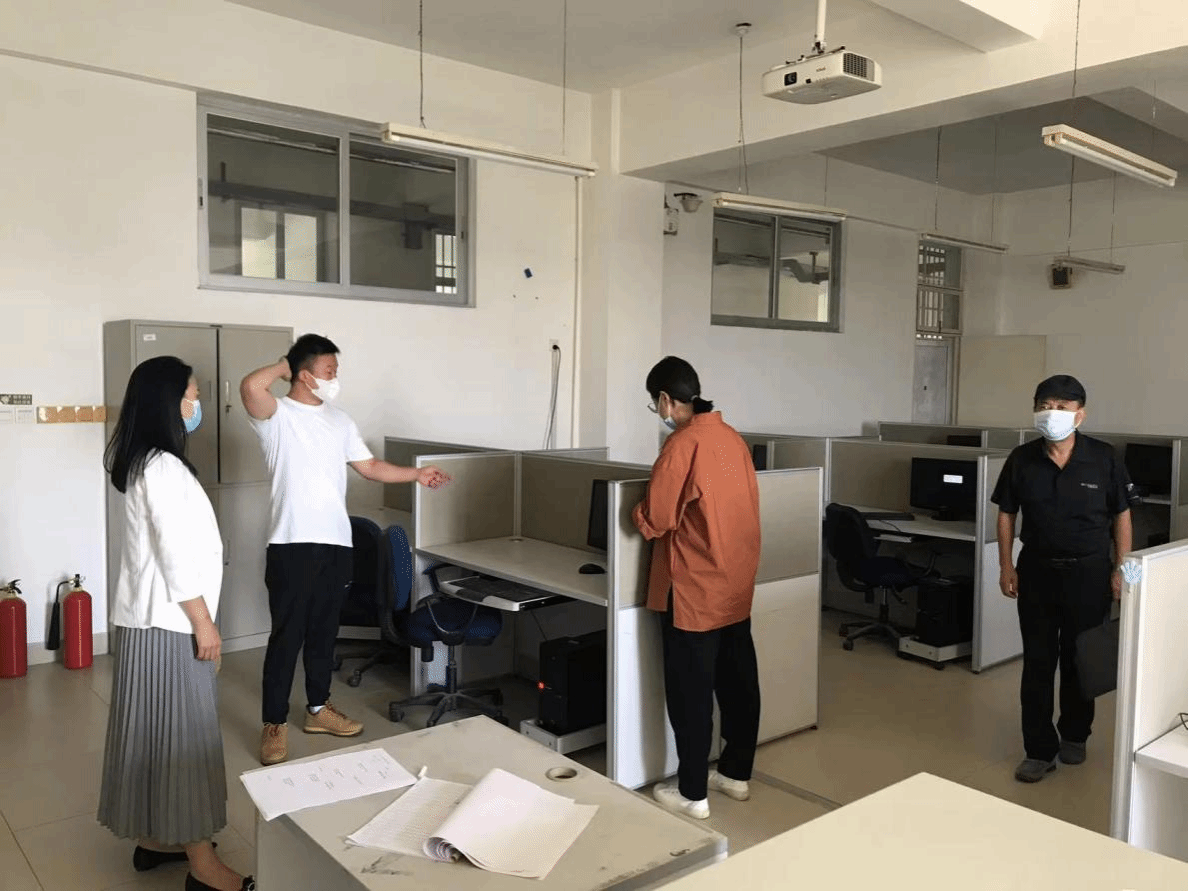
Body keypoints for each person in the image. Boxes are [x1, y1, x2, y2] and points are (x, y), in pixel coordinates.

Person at [241, 334, 449, 765]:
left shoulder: (339, 421)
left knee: (324, 634)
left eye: (336, 370)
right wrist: (284, 363)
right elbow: (250, 387)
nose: (335, 378)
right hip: (291, 543)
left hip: (336, 543)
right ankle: (274, 723)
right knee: (287, 637)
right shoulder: (277, 415)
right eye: (329, 370)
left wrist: (416, 474)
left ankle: (318, 709)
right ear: (305, 375)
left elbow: (369, 467)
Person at [98, 356, 253, 891]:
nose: (198, 404)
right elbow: (175, 555)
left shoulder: (145, 461)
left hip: (150, 623)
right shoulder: (161, 466)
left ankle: (156, 839)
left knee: (153, 734)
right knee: (186, 738)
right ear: (169, 402)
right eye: (193, 395)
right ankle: (203, 867)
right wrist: (204, 623)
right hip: (171, 624)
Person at [631, 356, 762, 820]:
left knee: (691, 693)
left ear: (667, 399)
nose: (659, 412)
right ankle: (736, 775)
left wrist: (635, 513)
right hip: (735, 582)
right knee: (738, 684)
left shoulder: (682, 444)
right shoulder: (732, 439)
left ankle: (692, 793)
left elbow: (659, 518)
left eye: (656, 404)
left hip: (694, 588)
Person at [991, 374, 1133, 784]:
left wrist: (1120, 569)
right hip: (1037, 571)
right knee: (1038, 661)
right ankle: (1038, 750)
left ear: (1080, 414)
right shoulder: (1022, 458)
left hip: (1089, 573)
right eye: (1045, 405)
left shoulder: (1103, 458)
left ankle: (1075, 734)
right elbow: (1006, 514)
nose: (1052, 413)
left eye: (1062, 407)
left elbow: (1122, 515)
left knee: (1080, 657)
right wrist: (1006, 565)